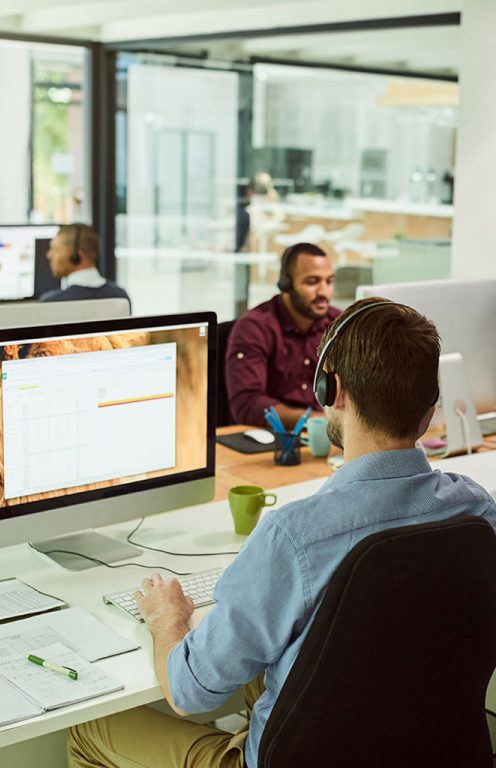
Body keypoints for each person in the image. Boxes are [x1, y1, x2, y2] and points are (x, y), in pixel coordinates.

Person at [68, 297, 496, 768]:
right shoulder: (476, 511)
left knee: (90, 729)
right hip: (436, 754)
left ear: (333, 391)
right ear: (430, 404)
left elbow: (189, 691)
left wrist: (166, 619)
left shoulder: (296, 538)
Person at [225, 242, 339, 428]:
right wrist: (315, 420)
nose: (323, 291)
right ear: (285, 283)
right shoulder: (254, 327)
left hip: (327, 438)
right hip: (273, 441)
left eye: (329, 281)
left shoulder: (338, 325)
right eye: (312, 282)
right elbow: (247, 405)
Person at [39, 224, 130, 305]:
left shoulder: (51, 304)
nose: (49, 255)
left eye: (56, 250)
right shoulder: (120, 297)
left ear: (76, 256)